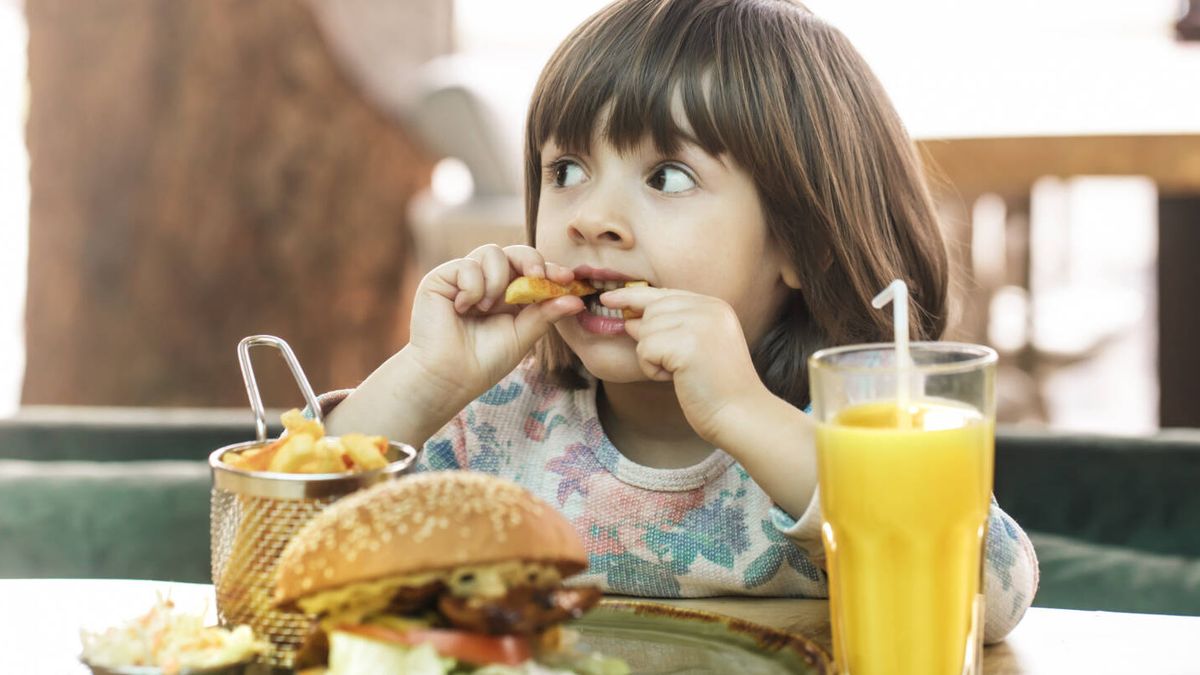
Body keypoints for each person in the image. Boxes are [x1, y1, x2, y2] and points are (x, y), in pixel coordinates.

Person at [323, 0, 1038, 642]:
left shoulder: (855, 432)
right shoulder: (496, 429)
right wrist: (425, 379)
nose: (593, 218)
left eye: (668, 176)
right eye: (566, 170)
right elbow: (286, 555)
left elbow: (995, 591)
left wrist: (741, 409)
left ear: (799, 242)